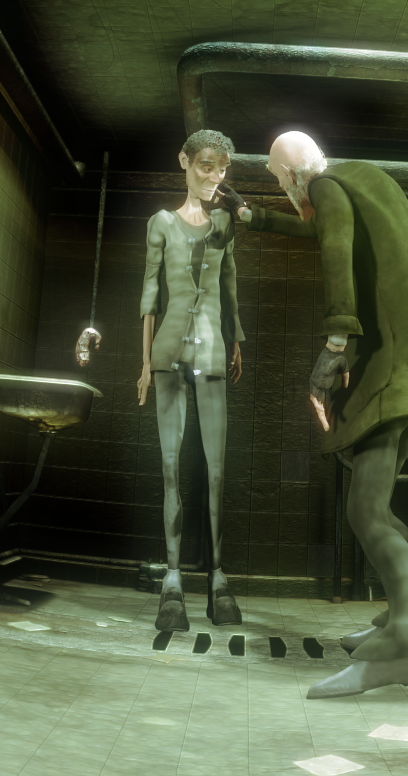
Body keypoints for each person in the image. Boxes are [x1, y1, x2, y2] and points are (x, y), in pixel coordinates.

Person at [235, 131, 408, 699]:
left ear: (293, 175)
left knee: (365, 508)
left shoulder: (325, 188)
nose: (281, 190)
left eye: (277, 180)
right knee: (378, 504)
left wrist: (334, 344)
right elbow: (325, 228)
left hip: (400, 369)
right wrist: (254, 218)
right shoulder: (364, 180)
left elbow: (334, 249)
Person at [138, 130, 246, 632]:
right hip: (167, 353)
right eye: (206, 166)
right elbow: (150, 292)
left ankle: (218, 577)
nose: (214, 176)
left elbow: (229, 284)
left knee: (217, 471)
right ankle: (173, 578)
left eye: (222, 169)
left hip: (212, 352)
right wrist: (143, 363)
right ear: (184, 161)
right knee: (170, 467)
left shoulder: (224, 223)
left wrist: (236, 338)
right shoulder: (161, 222)